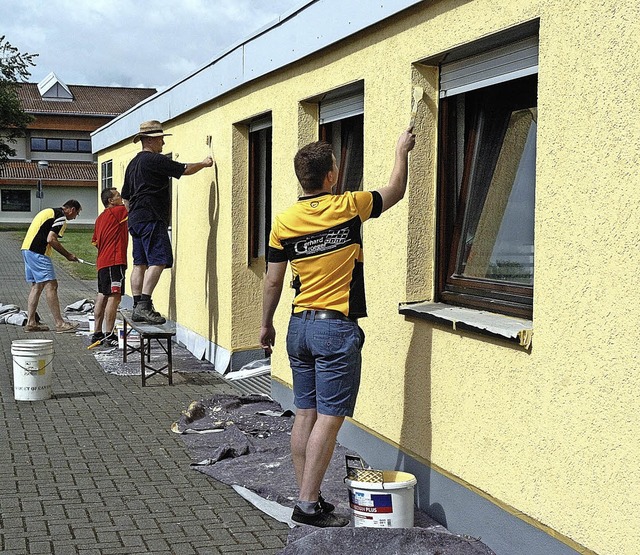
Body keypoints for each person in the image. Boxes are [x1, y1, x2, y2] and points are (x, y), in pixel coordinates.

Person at [260, 127, 416, 527]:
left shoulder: (284, 222)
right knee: (329, 418)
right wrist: (401, 150)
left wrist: (265, 325)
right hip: (335, 329)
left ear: (302, 179)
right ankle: (308, 503)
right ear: (330, 176)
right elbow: (395, 191)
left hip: (298, 327)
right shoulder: (349, 205)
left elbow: (273, 280)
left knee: (305, 414)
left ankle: (306, 497)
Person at [121, 120, 213, 325]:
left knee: (140, 263)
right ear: (151, 140)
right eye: (161, 138)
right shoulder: (153, 160)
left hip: (135, 219)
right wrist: (205, 163)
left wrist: (136, 213)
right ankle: (145, 305)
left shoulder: (133, 164)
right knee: (159, 259)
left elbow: (125, 197)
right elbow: (184, 169)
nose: (163, 142)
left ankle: (137, 306)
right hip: (151, 216)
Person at [21, 199, 82, 333]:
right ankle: (60, 323)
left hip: (26, 249)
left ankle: (31, 322)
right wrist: (68, 255)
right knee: (52, 285)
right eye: (77, 213)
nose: (75, 217)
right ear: (71, 209)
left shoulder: (49, 211)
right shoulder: (60, 216)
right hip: (38, 252)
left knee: (37, 285)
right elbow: (51, 239)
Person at [90, 187, 128, 346]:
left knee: (102, 295)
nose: (121, 198)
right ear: (110, 201)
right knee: (115, 296)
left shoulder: (100, 218)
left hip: (102, 262)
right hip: (114, 261)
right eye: (118, 196)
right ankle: (108, 333)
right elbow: (133, 206)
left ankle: (97, 333)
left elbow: (95, 242)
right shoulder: (118, 211)